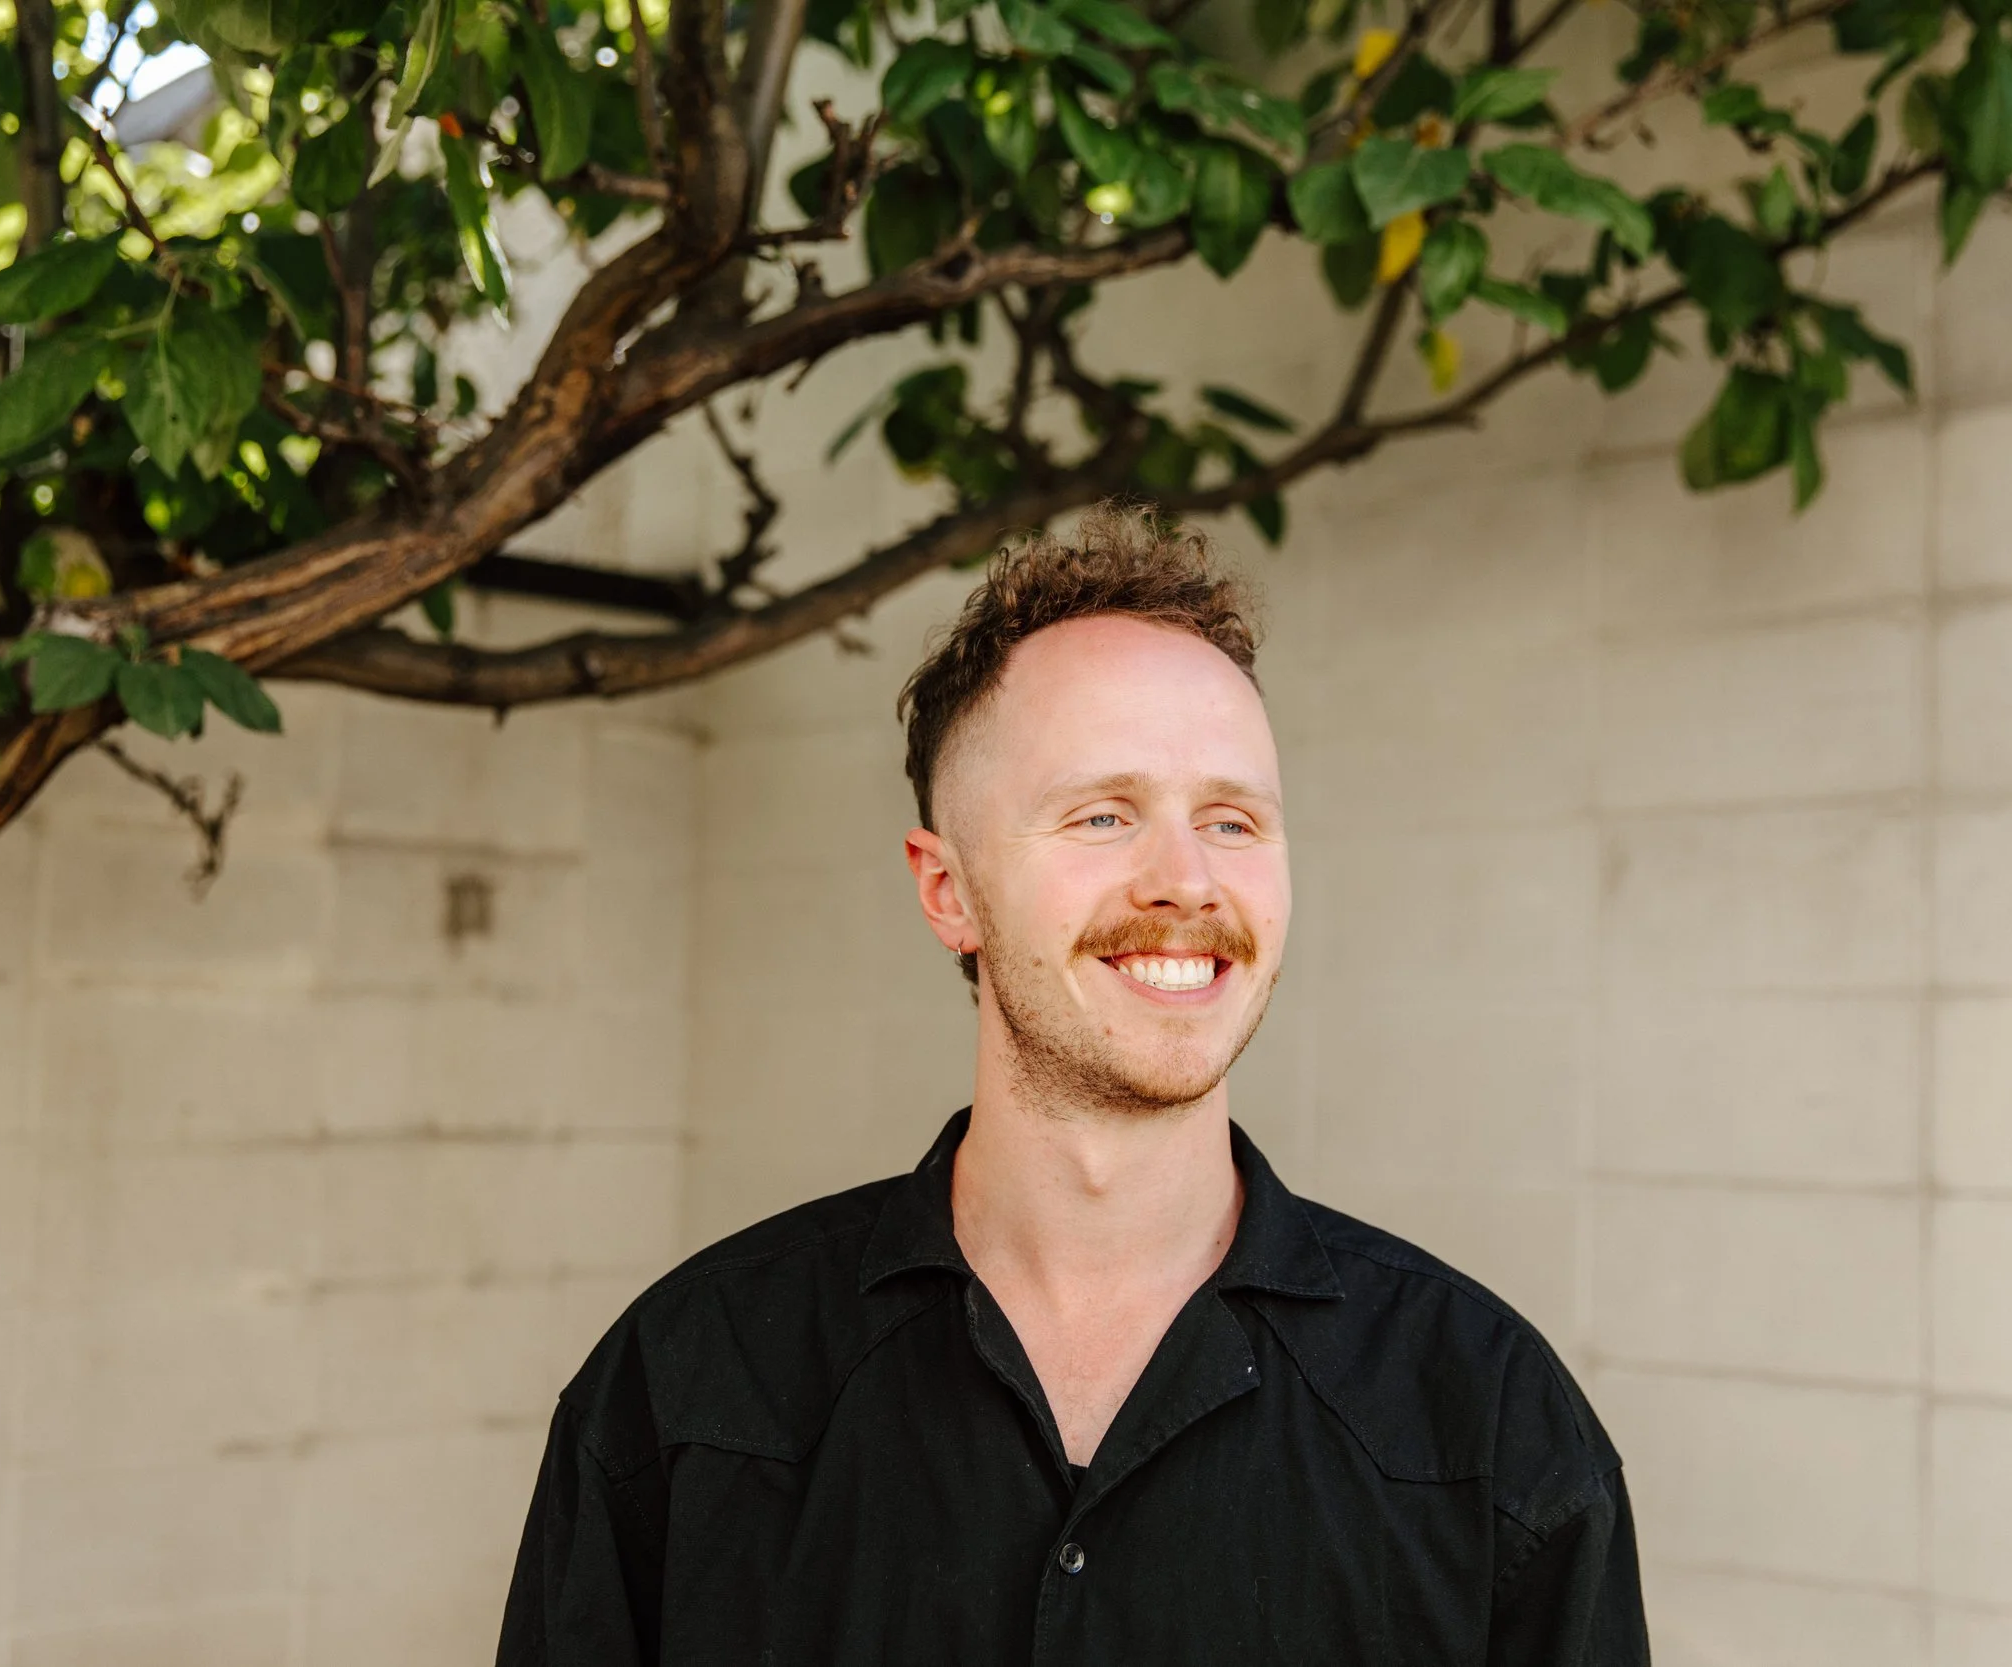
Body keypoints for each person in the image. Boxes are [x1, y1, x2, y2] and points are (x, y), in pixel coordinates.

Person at [494, 506, 1648, 1665]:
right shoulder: (687, 1390)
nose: (1186, 878)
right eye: (1103, 813)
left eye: (1231, 818)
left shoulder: (1490, 1423)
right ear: (946, 888)